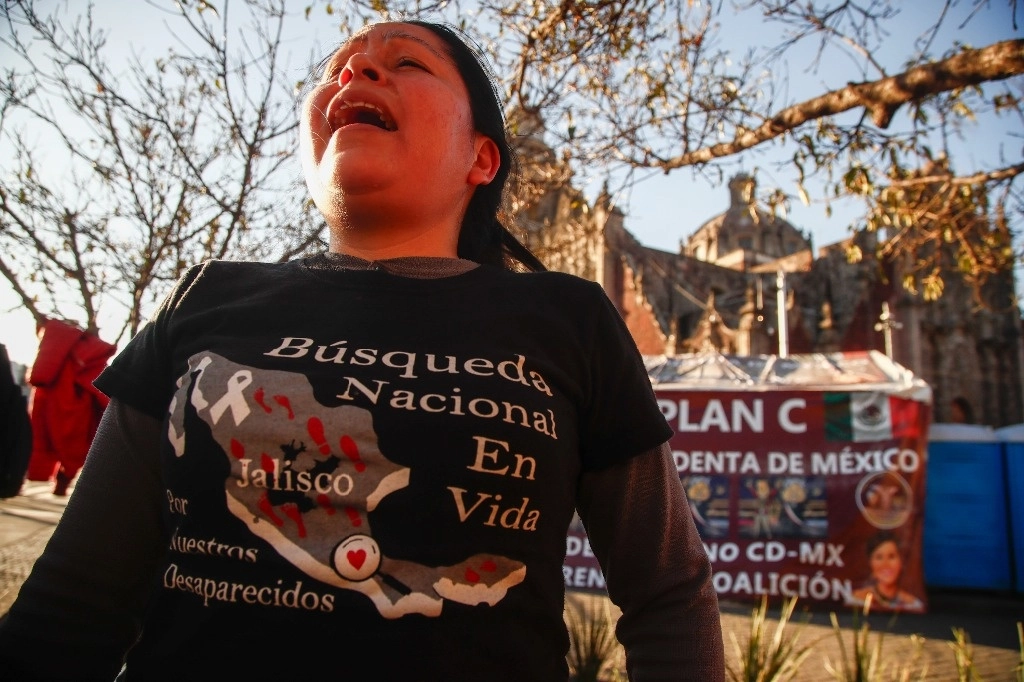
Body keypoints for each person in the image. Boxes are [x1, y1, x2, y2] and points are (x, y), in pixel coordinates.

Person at [0, 19, 724, 681]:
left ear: (481, 158)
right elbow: (76, 600)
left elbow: (668, 596)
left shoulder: (569, 317)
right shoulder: (207, 296)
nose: (355, 73)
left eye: (406, 61)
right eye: (338, 68)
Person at [846, 530, 924, 612]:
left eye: (891, 556)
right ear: (870, 563)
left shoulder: (912, 605)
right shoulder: (857, 601)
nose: (885, 564)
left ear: (901, 562)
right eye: (879, 557)